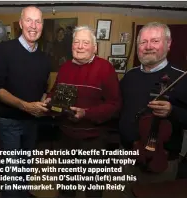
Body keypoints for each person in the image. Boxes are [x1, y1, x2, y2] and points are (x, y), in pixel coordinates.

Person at [119, 22, 187, 197]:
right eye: (143, 42)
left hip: (161, 162)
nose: (148, 47)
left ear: (168, 44)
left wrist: (173, 111)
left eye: (155, 41)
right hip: (128, 157)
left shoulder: (184, 79)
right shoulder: (130, 76)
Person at [44, 25, 122, 198]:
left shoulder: (106, 68)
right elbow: (55, 91)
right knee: (66, 186)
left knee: (93, 188)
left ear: (95, 47)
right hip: (65, 138)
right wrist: (49, 99)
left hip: (93, 140)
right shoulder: (64, 68)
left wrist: (87, 114)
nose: (80, 46)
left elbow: (114, 104)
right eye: (76, 42)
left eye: (85, 42)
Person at [0, 6, 50, 198]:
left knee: (25, 168)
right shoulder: (4, 49)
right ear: (20, 23)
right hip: (9, 122)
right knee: (12, 173)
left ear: (42, 26)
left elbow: (42, 89)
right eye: (29, 20)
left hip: (32, 122)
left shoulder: (44, 58)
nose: (33, 26)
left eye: (38, 21)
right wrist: (25, 106)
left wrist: (43, 102)